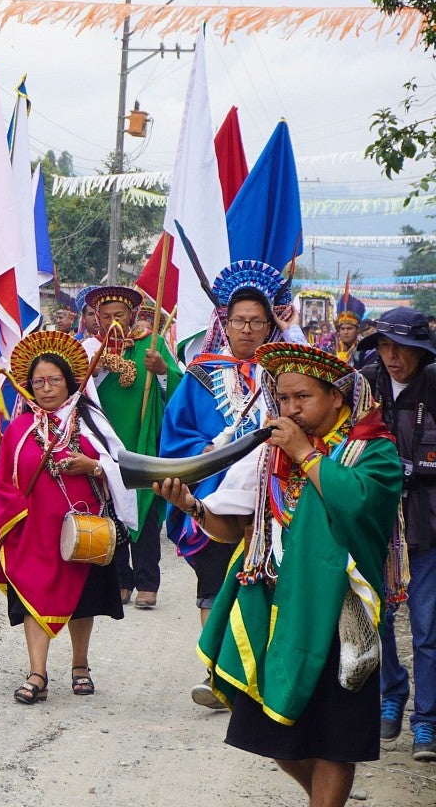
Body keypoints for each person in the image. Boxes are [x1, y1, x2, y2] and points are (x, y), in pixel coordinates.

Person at [153, 343, 401, 807]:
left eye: (302, 397)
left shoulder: (374, 450)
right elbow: (232, 527)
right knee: (269, 733)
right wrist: (190, 505)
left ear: (337, 397)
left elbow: (359, 505)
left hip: (340, 614)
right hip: (276, 609)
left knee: (334, 738)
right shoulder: (270, 456)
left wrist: (306, 453)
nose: (290, 409)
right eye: (283, 399)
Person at [159, 260, 292, 709]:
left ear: (271, 324)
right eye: (240, 321)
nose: (249, 330)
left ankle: (263, 671)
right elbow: (176, 432)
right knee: (215, 581)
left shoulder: (285, 376)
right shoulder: (200, 374)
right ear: (225, 323)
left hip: (274, 496)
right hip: (216, 496)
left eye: (258, 321)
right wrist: (213, 451)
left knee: (270, 580)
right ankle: (215, 671)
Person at [0, 330, 136, 704]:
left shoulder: (90, 422)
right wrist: (13, 514)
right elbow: (3, 482)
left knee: (82, 600)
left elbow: (121, 467)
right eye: (38, 382)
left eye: (54, 380)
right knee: (32, 594)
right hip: (33, 531)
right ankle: (37, 672)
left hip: (83, 530)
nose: (46, 388)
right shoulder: (18, 429)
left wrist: (93, 465)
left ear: (70, 382)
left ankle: (80, 665)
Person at [357, 308, 436, 760]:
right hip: (376, 525)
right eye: (384, 346)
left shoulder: (435, 383)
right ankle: (391, 694)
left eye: (400, 348)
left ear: (420, 352)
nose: (391, 356)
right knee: (378, 618)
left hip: (427, 527)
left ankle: (426, 721)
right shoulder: (364, 384)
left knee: (426, 629)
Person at [79, 285, 180, 609]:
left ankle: (148, 582)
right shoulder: (90, 350)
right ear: (96, 318)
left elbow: (179, 388)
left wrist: (162, 371)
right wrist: (94, 374)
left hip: (144, 440)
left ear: (132, 315)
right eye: (106, 316)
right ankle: (121, 580)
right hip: (106, 444)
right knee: (112, 511)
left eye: (119, 315)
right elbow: (76, 393)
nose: (113, 322)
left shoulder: (151, 345)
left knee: (146, 512)